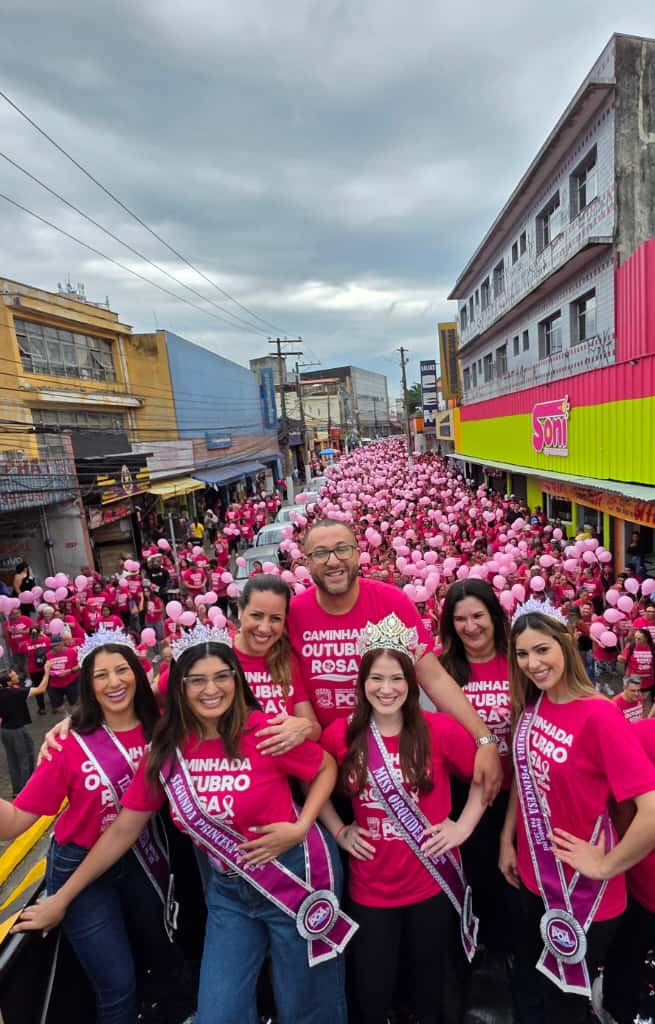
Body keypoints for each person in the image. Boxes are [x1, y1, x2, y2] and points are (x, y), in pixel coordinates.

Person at [17, 626, 351, 1024]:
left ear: (235, 680)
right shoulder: (166, 749)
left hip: (296, 876)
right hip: (229, 894)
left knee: (306, 1008)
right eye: (197, 680)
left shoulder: (262, 730)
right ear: (180, 687)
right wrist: (62, 897)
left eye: (221, 676)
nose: (211, 689)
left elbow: (324, 766)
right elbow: (123, 829)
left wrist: (302, 825)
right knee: (218, 1014)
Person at [5, 630, 193, 1024]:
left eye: (122, 670)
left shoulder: (161, 725)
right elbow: (17, 822)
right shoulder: (69, 743)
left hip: (143, 857)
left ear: (137, 674)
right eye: (101, 675)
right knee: (116, 984)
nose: (114, 682)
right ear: (88, 684)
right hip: (79, 870)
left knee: (164, 956)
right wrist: (60, 899)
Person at [320, 613, 485, 1024]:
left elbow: (486, 779)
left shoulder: (442, 731)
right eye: (376, 678)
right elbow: (314, 786)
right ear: (362, 684)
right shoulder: (339, 736)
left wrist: (462, 825)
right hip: (370, 886)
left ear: (412, 684)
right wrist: (338, 829)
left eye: (397, 678)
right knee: (373, 991)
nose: (386, 689)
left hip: (430, 881)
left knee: (429, 988)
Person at [499, 602, 655, 1023]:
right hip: (535, 880)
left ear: (567, 645)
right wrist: (506, 838)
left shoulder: (600, 715)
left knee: (563, 1008)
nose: (532, 663)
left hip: (584, 896)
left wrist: (606, 865)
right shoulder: (535, 705)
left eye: (542, 649)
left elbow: (651, 812)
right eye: (522, 653)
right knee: (531, 992)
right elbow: (524, 776)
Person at [285, 519, 503, 803]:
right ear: (307, 561)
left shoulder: (391, 602)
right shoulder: (293, 614)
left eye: (342, 549)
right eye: (320, 553)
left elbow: (434, 677)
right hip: (326, 770)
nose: (333, 560)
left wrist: (484, 739)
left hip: (393, 769)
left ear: (357, 553)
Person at [438, 579, 516, 956]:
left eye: (478, 616)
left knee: (512, 878)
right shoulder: (441, 669)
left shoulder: (519, 660)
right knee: (476, 876)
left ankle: (509, 948)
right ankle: (478, 946)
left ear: (495, 616)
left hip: (515, 794)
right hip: (463, 794)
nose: (470, 626)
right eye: (460, 619)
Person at [234, 575, 321, 751]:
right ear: (240, 610)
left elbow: (314, 729)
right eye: (256, 616)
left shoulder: (286, 660)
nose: (265, 628)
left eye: (275, 618)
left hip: (283, 768)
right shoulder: (216, 654)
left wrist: (303, 727)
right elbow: (163, 695)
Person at [0, 668, 48, 796]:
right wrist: (47, 672)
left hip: (5, 730)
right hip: (17, 730)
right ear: (9, 682)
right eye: (14, 676)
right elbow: (41, 689)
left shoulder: (6, 691)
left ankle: (17, 789)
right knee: (25, 757)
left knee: (13, 759)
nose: (17, 676)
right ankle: (27, 790)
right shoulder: (14, 693)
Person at [42, 632, 80, 712]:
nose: (55, 648)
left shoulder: (71, 652)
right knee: (57, 707)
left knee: (74, 704)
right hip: (55, 684)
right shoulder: (48, 655)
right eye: (53, 646)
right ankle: (67, 717)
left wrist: (69, 671)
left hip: (71, 682)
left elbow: (79, 665)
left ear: (62, 643)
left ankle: (76, 720)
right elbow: (46, 669)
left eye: (57, 645)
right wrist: (49, 672)